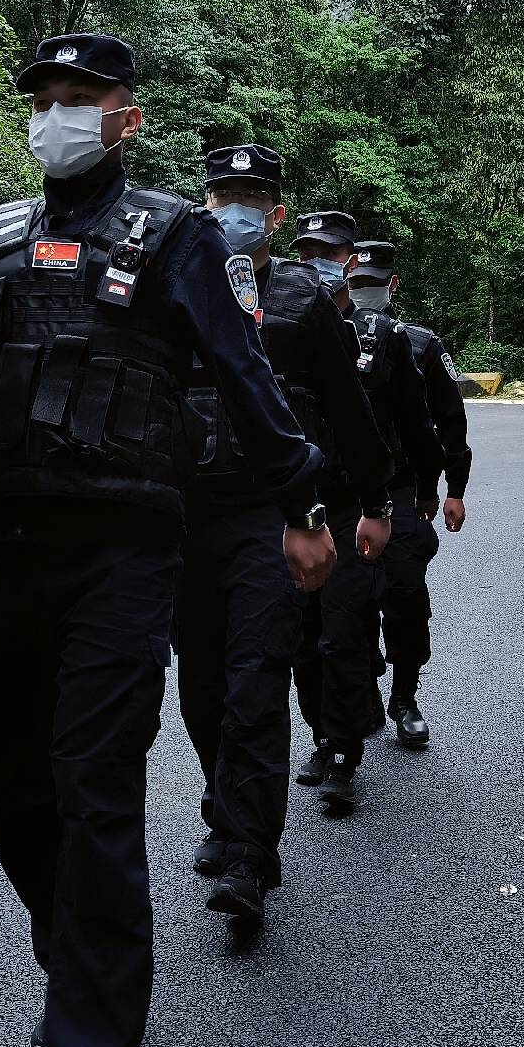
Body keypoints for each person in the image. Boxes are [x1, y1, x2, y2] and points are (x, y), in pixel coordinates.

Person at [0, 33, 336, 1047]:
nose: (56, 115)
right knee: (13, 791)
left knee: (92, 788)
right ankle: (76, 954)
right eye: (43, 98)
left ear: (125, 119)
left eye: (79, 98)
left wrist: (300, 503)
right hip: (12, 547)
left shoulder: (174, 235)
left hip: (129, 551)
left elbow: (240, 368)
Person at [177, 144, 394, 926]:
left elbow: (348, 412)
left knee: (255, 682)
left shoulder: (305, 299)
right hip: (183, 519)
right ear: (204, 204)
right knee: (200, 685)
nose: (235, 208)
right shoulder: (174, 285)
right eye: (222, 194)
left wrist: (373, 501)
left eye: (251, 197)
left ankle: (249, 857)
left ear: (275, 212)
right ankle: (221, 804)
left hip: (271, 519)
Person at [288, 211, 441, 811]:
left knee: (344, 632)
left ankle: (347, 748)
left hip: (357, 503)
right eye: (308, 251)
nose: (317, 262)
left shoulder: (386, 340)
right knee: (303, 639)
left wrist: (426, 488)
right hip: (295, 506)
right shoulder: (280, 326)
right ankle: (324, 733)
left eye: (329, 252)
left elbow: (417, 424)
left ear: (350, 262)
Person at [348, 240, 472, 748]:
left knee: (403, 592)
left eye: (372, 285)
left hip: (403, 488)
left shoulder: (418, 343)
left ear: (392, 285)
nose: (362, 294)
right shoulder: (323, 337)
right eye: (356, 284)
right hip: (342, 489)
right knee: (346, 601)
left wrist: (453, 488)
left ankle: (405, 695)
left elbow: (449, 420)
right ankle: (352, 706)